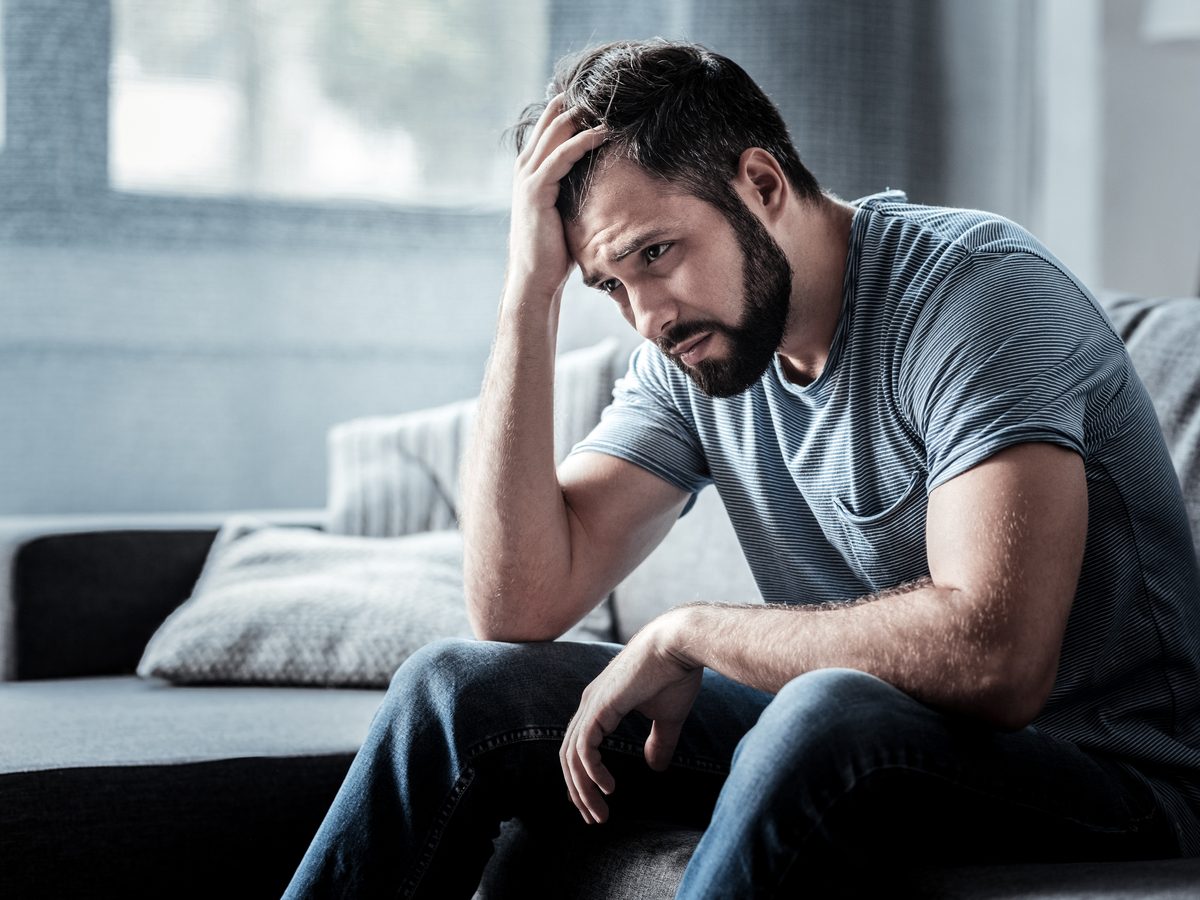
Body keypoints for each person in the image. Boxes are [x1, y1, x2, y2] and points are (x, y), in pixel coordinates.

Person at [285, 39, 1200, 898]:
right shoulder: (694, 353)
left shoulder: (976, 293)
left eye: (657, 253)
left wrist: (690, 633)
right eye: (611, 284)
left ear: (760, 181)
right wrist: (528, 296)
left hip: (1116, 775)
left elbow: (996, 660)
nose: (646, 316)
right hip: (867, 741)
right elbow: (518, 603)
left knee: (825, 711)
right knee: (456, 689)